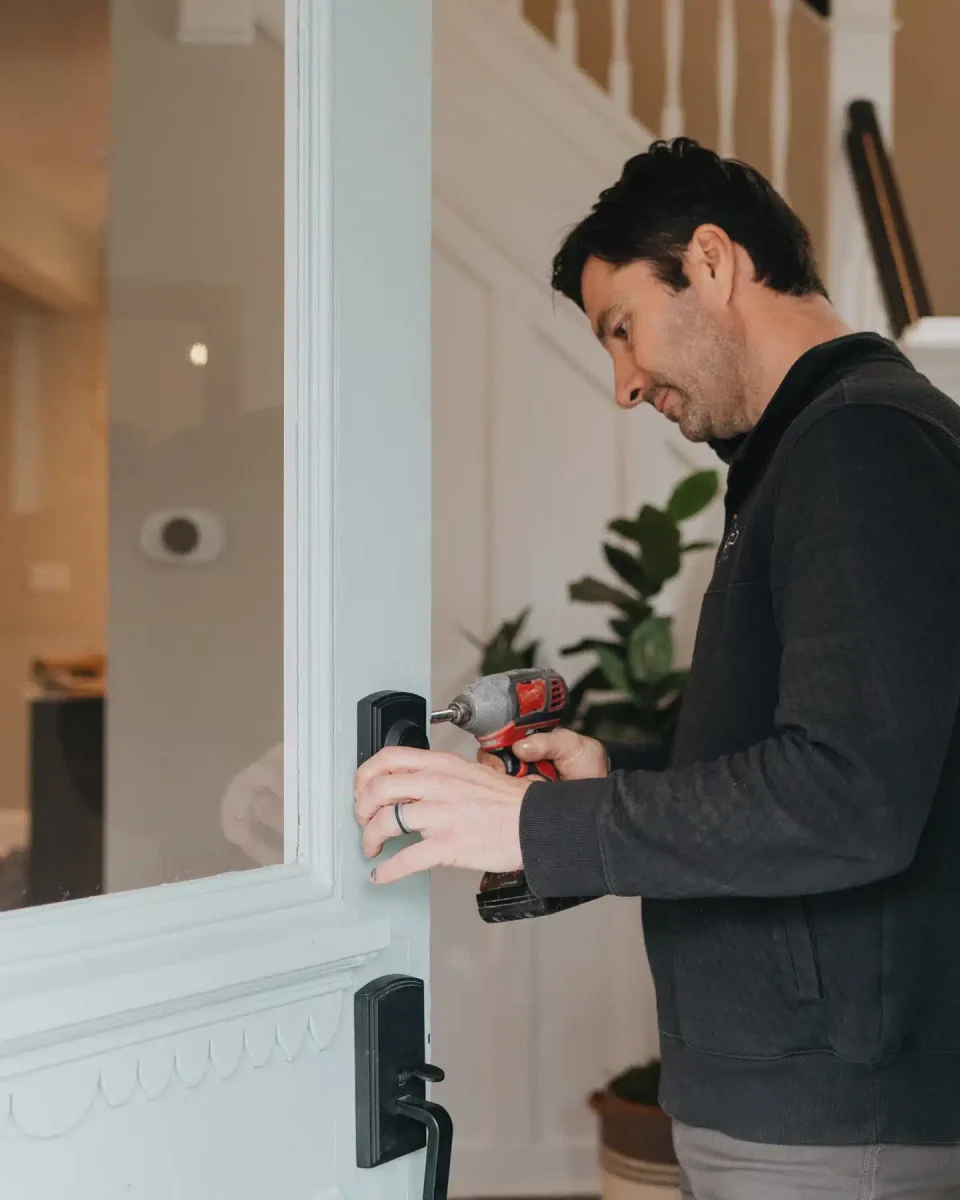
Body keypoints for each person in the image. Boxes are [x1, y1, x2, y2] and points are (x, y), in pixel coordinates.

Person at [354, 138, 960, 1198]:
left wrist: (532, 827)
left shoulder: (857, 447)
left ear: (713, 262)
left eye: (622, 329)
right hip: (804, 1105)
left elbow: (847, 798)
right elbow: (817, 756)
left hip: (834, 1124)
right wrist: (614, 777)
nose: (625, 384)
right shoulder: (813, 454)